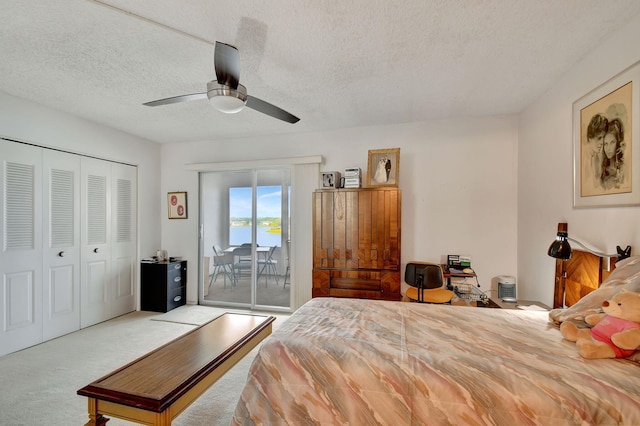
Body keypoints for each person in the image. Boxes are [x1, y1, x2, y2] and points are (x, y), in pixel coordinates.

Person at [600, 118, 625, 190]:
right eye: (606, 144)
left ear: (618, 143)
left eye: (612, 143)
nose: (608, 148)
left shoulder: (623, 167)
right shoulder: (603, 169)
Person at [585, 114, 607, 186]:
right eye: (599, 138)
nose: (602, 142)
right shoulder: (584, 158)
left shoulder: (598, 157)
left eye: (603, 138)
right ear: (590, 137)